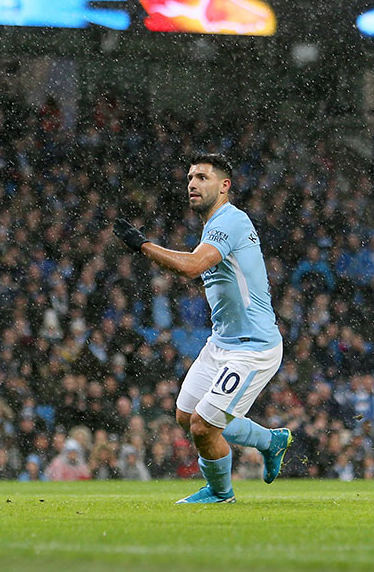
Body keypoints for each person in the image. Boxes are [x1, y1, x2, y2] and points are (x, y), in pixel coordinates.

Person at [112, 153, 292, 504]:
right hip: (222, 343)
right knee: (185, 416)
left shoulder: (232, 221)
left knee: (204, 426)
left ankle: (221, 493)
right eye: (190, 178)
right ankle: (271, 442)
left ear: (225, 186)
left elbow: (193, 266)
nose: (192, 184)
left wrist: (142, 245)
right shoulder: (213, 225)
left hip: (252, 349)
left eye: (202, 177)